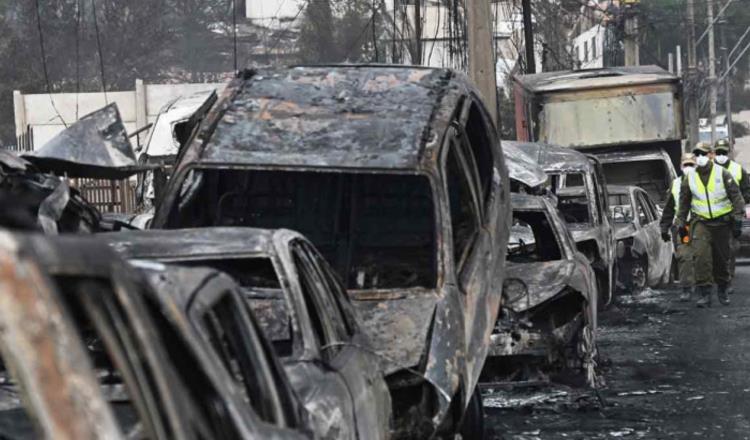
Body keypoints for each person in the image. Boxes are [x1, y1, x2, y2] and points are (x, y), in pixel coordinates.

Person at [676, 142, 745, 307]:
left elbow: (737, 198)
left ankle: (722, 288)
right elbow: (684, 202)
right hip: (701, 222)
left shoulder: (723, 174)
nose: (700, 158)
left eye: (703, 154)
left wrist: (737, 219)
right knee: (700, 256)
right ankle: (705, 294)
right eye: (697, 154)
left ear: (710, 155)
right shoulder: (690, 178)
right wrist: (680, 222)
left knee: (722, 259)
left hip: (722, 222)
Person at [714, 138, 749, 294]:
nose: (721, 155)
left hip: (732, 215)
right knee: (713, 248)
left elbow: (747, 190)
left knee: (731, 247)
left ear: (728, 153)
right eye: (718, 152)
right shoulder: (706, 170)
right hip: (711, 215)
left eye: (723, 152)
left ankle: (728, 279)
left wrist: (740, 204)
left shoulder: (737, 169)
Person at [660, 153, 696, 301]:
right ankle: (687, 288)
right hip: (683, 227)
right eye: (685, 165)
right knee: (684, 256)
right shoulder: (675, 184)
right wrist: (664, 227)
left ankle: (704, 286)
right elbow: (669, 207)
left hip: (702, 225)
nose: (688, 168)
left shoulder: (703, 182)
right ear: (681, 167)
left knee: (702, 256)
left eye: (691, 165)